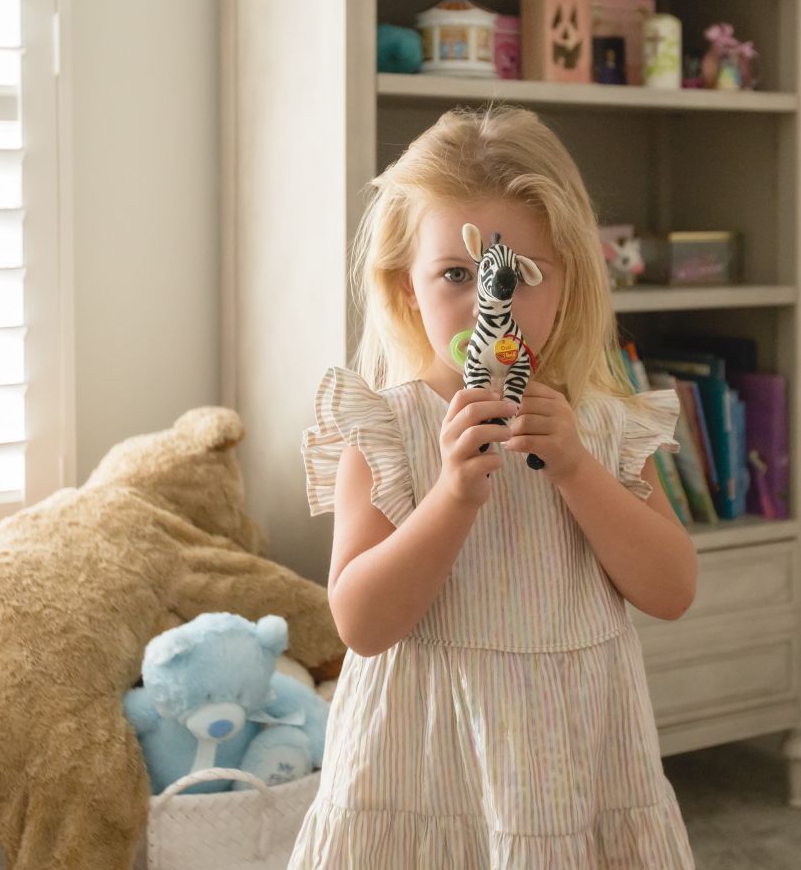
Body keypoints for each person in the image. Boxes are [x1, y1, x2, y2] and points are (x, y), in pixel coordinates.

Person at [289, 105, 698, 868]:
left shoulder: (606, 428)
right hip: (423, 765)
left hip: (573, 763)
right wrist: (450, 498)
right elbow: (362, 625)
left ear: (567, 283)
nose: (489, 304)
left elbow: (672, 590)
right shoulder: (385, 432)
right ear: (407, 289)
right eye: (455, 273)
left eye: (521, 276)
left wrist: (576, 470)